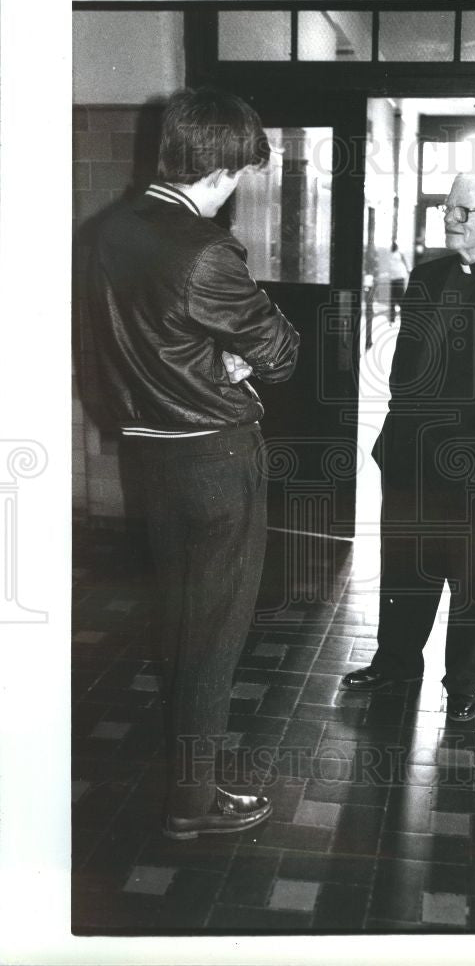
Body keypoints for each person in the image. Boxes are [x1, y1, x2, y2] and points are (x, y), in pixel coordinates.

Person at [88, 87, 300, 839]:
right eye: (242, 171)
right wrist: (233, 359)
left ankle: (189, 776)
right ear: (223, 166)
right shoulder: (207, 250)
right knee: (213, 634)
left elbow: (115, 350)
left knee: (179, 618)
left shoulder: (105, 231)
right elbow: (279, 354)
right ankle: (193, 802)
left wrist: (198, 357)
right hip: (215, 460)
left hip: (146, 460)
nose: (240, 186)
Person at [341, 173, 475, 721]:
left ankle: (463, 683)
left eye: (466, 210)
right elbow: (407, 364)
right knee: (404, 567)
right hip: (411, 458)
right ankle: (395, 661)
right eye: (449, 206)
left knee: (470, 581)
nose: (450, 217)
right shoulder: (426, 277)